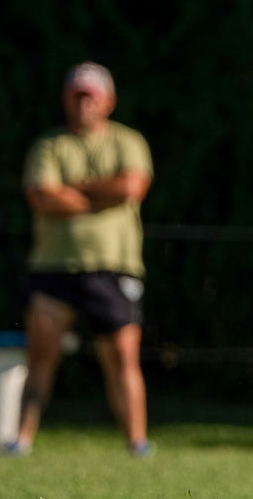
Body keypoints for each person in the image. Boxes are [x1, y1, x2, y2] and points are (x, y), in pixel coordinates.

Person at [12, 63, 155, 458]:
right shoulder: (50, 146)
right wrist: (100, 197)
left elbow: (131, 187)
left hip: (113, 265)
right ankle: (21, 441)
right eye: (77, 96)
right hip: (53, 266)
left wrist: (73, 190)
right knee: (41, 355)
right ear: (66, 99)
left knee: (122, 358)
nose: (84, 104)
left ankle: (137, 443)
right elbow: (42, 198)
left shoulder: (128, 142)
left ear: (108, 101)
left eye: (91, 96)